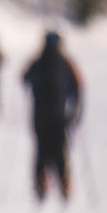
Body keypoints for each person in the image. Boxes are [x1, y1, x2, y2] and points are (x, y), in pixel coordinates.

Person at [22, 30, 82, 201]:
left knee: (41, 150)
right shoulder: (65, 62)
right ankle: (64, 183)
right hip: (59, 115)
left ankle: (41, 183)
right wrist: (74, 111)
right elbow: (77, 87)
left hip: (39, 116)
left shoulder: (37, 61)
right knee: (60, 150)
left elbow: (24, 78)